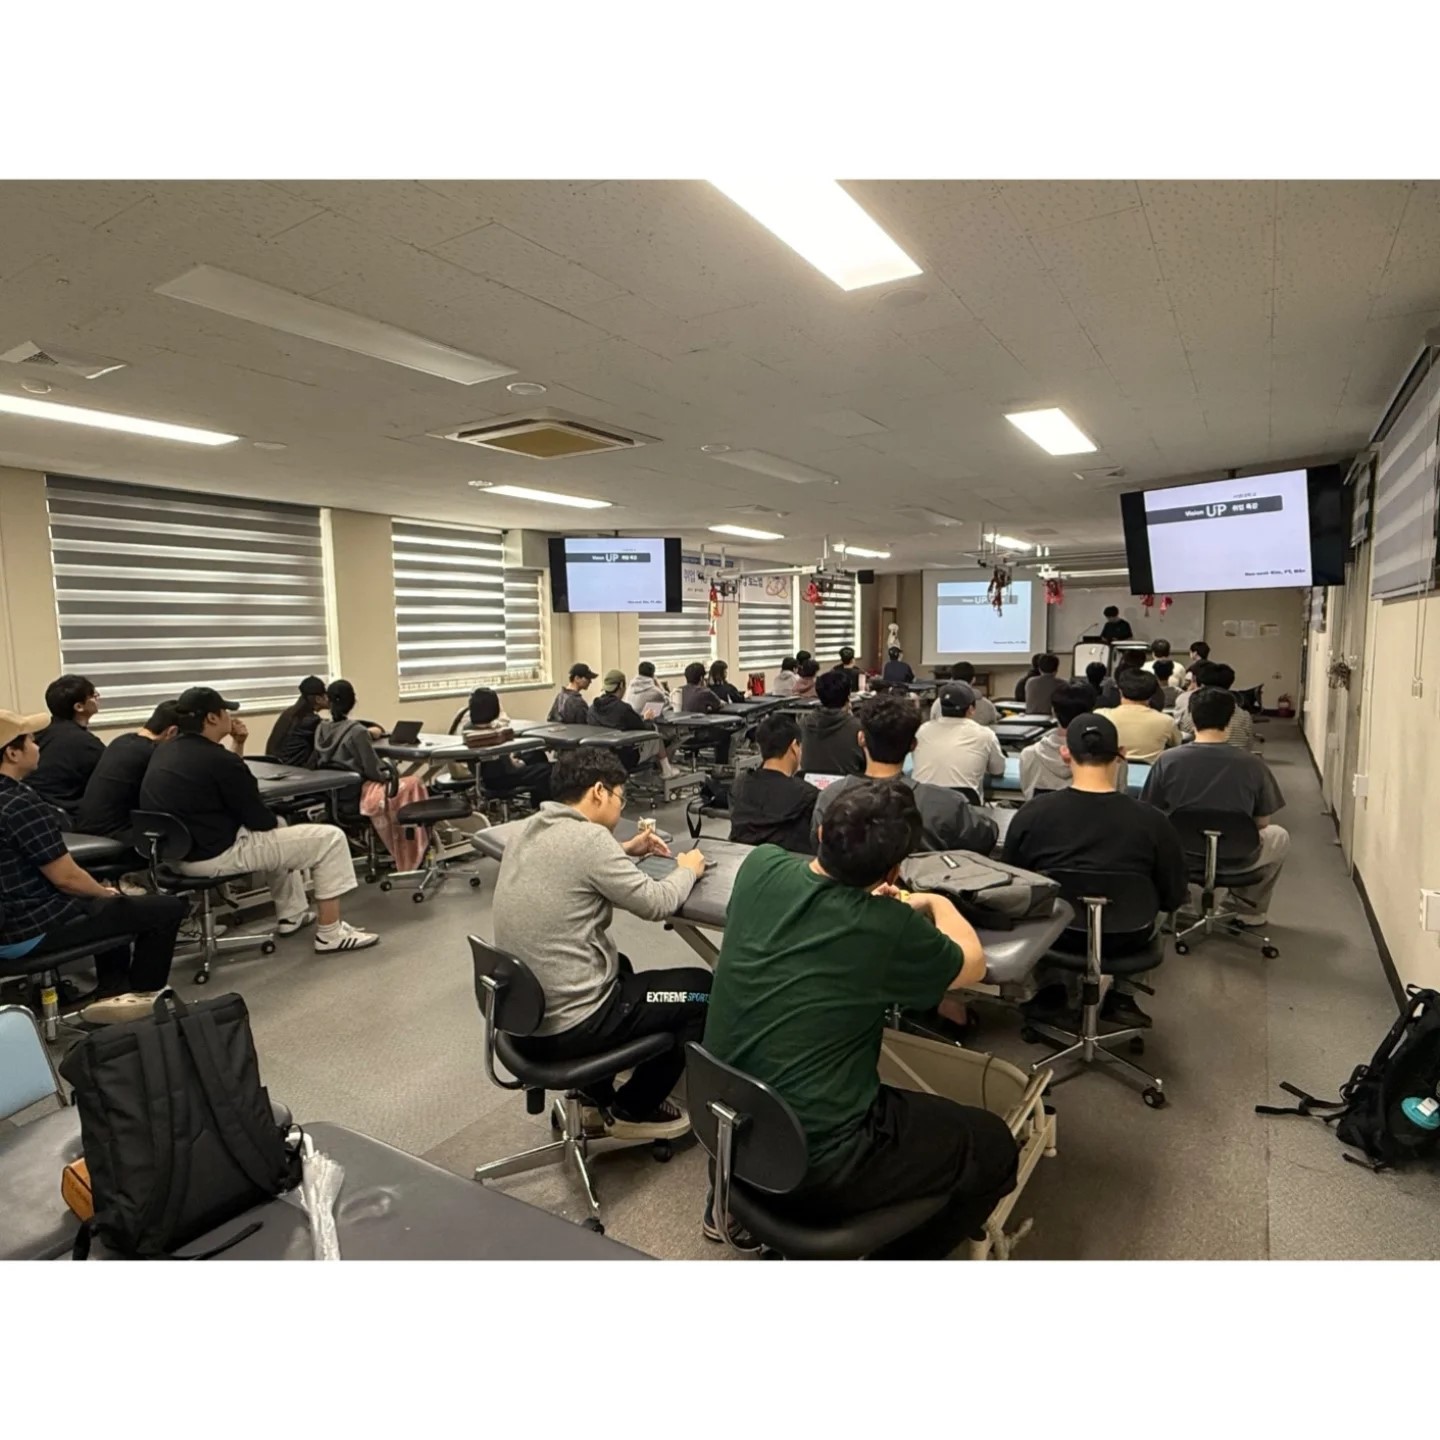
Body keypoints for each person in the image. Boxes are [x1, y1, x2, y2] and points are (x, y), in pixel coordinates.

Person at [702, 781, 1018, 1257]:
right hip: (821, 1166)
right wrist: (936, 902)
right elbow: (971, 964)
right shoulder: (887, 925)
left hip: (731, 1131)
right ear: (894, 870)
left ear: (821, 833)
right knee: (993, 1146)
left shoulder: (760, 865)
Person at [492, 748, 709, 1140]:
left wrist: (624, 850)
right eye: (620, 797)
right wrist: (687, 869)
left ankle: (595, 1098)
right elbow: (657, 903)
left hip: (522, 1018)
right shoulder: (590, 840)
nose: (620, 806)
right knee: (701, 990)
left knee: (619, 965)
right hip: (570, 1025)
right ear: (598, 792)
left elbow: (569, 864)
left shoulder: (527, 828)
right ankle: (633, 1110)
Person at [140, 687, 379, 953]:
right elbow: (260, 821)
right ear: (211, 718)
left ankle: (292, 914)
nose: (230, 716)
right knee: (330, 839)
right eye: (225, 711)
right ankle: (330, 934)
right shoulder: (220, 760)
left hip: (174, 854)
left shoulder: (165, 751)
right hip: (213, 857)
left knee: (280, 826)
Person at [0, 710, 185, 1026]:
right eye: (31, 740)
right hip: (26, 932)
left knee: (106, 902)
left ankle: (112, 994)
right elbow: (66, 879)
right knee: (164, 909)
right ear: (13, 753)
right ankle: (139, 1005)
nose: (38, 746)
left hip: (9, 923)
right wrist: (103, 892)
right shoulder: (19, 804)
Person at [1005, 713, 1188, 1028]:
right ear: (1121, 754)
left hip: (1055, 937)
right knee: (1154, 900)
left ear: (1066, 753)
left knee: (1039, 900)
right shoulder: (1154, 821)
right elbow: (1173, 896)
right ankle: (1123, 995)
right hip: (1129, 938)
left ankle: (1051, 990)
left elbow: (1013, 887)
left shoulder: (1032, 814)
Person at [1142, 686, 1289, 925]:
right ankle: (1244, 910)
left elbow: (1151, 813)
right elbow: (1262, 822)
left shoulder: (1167, 760)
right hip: (1238, 856)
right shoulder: (1253, 765)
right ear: (1230, 720)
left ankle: (1180, 901)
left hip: (1181, 856)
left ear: (1191, 718)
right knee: (1279, 835)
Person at [810, 696, 997, 856]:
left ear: (861, 738)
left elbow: (818, 847)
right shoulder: (946, 804)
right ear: (913, 745)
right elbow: (985, 838)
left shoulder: (830, 797)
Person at [315, 679, 431, 870]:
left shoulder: (321, 729)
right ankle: (414, 849)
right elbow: (373, 770)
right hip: (359, 794)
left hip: (335, 796)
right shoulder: (357, 732)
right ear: (353, 702)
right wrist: (389, 771)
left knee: (402, 780)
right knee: (414, 782)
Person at [75, 701, 180, 843]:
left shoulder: (122, 741)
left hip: (86, 827)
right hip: (113, 835)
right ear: (172, 732)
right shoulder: (153, 754)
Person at [1019, 681, 1129, 800]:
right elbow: (1119, 798)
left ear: (1053, 712)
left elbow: (1028, 797)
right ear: (1092, 711)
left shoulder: (1029, 755)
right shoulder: (1113, 760)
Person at [728, 715, 817, 854]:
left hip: (743, 861)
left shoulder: (739, 785)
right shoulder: (808, 796)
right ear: (794, 746)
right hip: (788, 865)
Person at [28, 675, 104, 822]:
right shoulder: (85, 743)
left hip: (39, 813)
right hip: (68, 817)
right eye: (93, 695)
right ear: (79, 707)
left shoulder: (40, 733)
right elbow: (111, 776)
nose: (98, 698)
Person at [914, 683, 1005, 795]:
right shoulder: (985, 735)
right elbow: (998, 771)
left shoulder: (922, 731)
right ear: (971, 709)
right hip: (966, 803)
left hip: (921, 801)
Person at [465, 687, 552, 803]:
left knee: (537, 755)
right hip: (503, 778)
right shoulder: (495, 734)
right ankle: (541, 804)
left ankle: (538, 801)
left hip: (483, 776)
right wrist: (520, 763)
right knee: (546, 769)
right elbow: (511, 769)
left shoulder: (468, 729)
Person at [1096, 669, 1181, 762]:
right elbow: (1177, 744)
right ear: (1152, 693)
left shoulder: (1101, 716)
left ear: (1120, 691)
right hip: (1152, 770)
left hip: (1112, 769)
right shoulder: (1166, 721)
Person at [1177, 662, 1255, 751]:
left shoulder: (1195, 710)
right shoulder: (1244, 715)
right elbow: (1249, 745)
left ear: (1202, 685)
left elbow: (1182, 735)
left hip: (1200, 756)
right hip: (1238, 757)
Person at [800, 669, 865, 776]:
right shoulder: (858, 728)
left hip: (809, 783)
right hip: (849, 784)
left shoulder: (804, 724)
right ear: (848, 697)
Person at [264, 676, 328, 766]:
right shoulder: (309, 721)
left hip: (274, 767)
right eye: (326, 695)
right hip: (292, 770)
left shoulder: (289, 713)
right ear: (318, 699)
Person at [930, 662, 998, 725]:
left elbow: (933, 722)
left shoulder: (938, 703)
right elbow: (994, 725)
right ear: (973, 680)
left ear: (951, 679)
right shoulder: (987, 705)